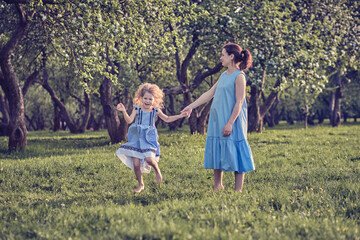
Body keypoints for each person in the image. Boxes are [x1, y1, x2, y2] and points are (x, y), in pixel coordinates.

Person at [182, 43, 255, 192]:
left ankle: (238, 190)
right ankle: (218, 185)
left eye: (223, 55)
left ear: (231, 56)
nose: (220, 58)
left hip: (232, 120)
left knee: (236, 150)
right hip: (217, 119)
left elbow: (240, 101)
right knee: (217, 149)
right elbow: (209, 94)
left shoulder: (239, 76)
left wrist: (230, 123)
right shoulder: (223, 75)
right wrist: (191, 106)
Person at [116, 83, 186, 194]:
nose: (148, 101)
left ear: (154, 99)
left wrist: (180, 116)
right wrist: (124, 111)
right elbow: (129, 120)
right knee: (136, 164)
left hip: (148, 138)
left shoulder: (155, 110)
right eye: (145, 98)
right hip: (137, 138)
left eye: (150, 99)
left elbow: (167, 119)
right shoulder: (137, 109)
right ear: (141, 98)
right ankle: (141, 184)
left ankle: (157, 171)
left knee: (149, 159)